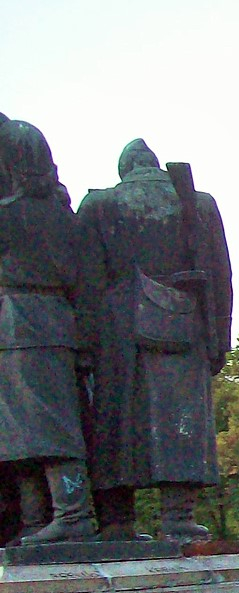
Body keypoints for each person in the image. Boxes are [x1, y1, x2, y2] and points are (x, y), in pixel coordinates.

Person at [75, 139, 232, 542]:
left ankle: (117, 521)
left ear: (124, 170)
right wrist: (220, 339)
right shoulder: (198, 204)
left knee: (116, 423)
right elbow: (221, 276)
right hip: (185, 326)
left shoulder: (98, 206)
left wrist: (84, 349)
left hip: (117, 335)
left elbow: (85, 284)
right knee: (182, 422)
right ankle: (178, 517)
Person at [0, 119, 101, 544]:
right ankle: (36, 521)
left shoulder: (9, 216)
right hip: (53, 323)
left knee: (44, 427)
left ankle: (70, 515)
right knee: (24, 429)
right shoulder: (65, 216)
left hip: (22, 325)